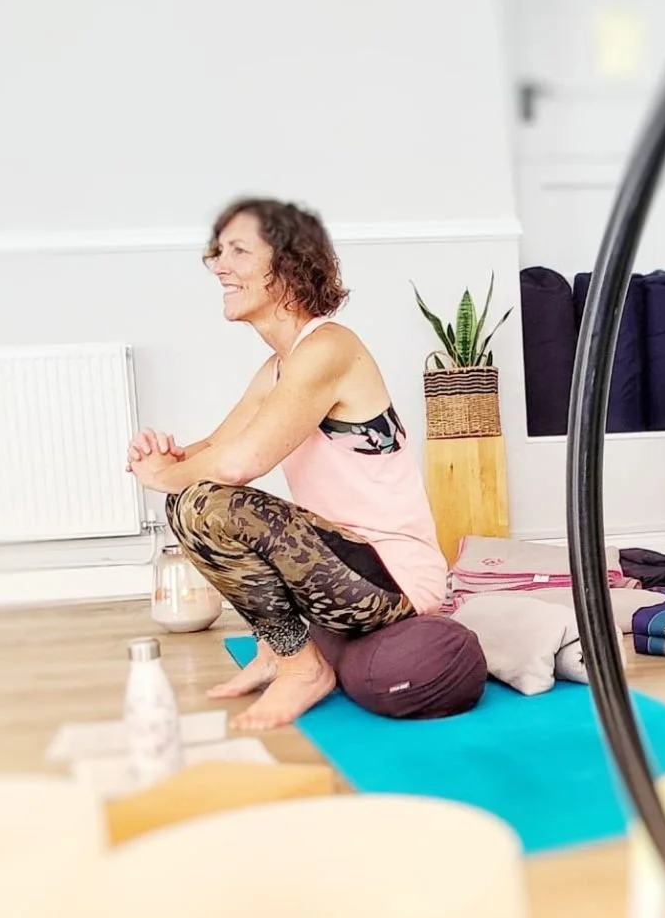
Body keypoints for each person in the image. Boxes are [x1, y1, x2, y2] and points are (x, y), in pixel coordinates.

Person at [127, 197, 448, 731]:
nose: (218, 265)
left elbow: (240, 464)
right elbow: (213, 449)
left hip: (394, 576)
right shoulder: (280, 367)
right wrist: (165, 457)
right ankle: (278, 652)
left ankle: (303, 669)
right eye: (217, 252)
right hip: (341, 562)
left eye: (237, 251)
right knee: (192, 498)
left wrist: (165, 478)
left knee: (204, 505)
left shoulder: (329, 348)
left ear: (289, 263)